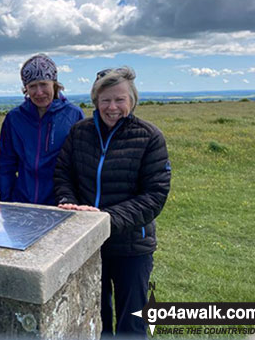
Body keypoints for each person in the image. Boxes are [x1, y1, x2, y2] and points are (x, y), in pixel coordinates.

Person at [53, 66, 171, 338]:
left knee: (132, 321)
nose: (112, 107)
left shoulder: (149, 137)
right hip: (88, 244)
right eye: (105, 99)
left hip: (132, 246)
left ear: (132, 100)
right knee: (96, 315)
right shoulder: (79, 132)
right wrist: (67, 201)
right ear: (95, 101)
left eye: (120, 99)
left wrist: (104, 218)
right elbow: (63, 174)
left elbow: (154, 196)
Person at [0, 54, 84, 205]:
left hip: (61, 203)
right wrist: (6, 201)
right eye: (32, 86)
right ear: (26, 89)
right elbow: (6, 164)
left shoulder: (74, 115)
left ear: (54, 84)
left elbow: (81, 165)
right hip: (22, 201)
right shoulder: (14, 118)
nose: (39, 92)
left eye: (43, 84)